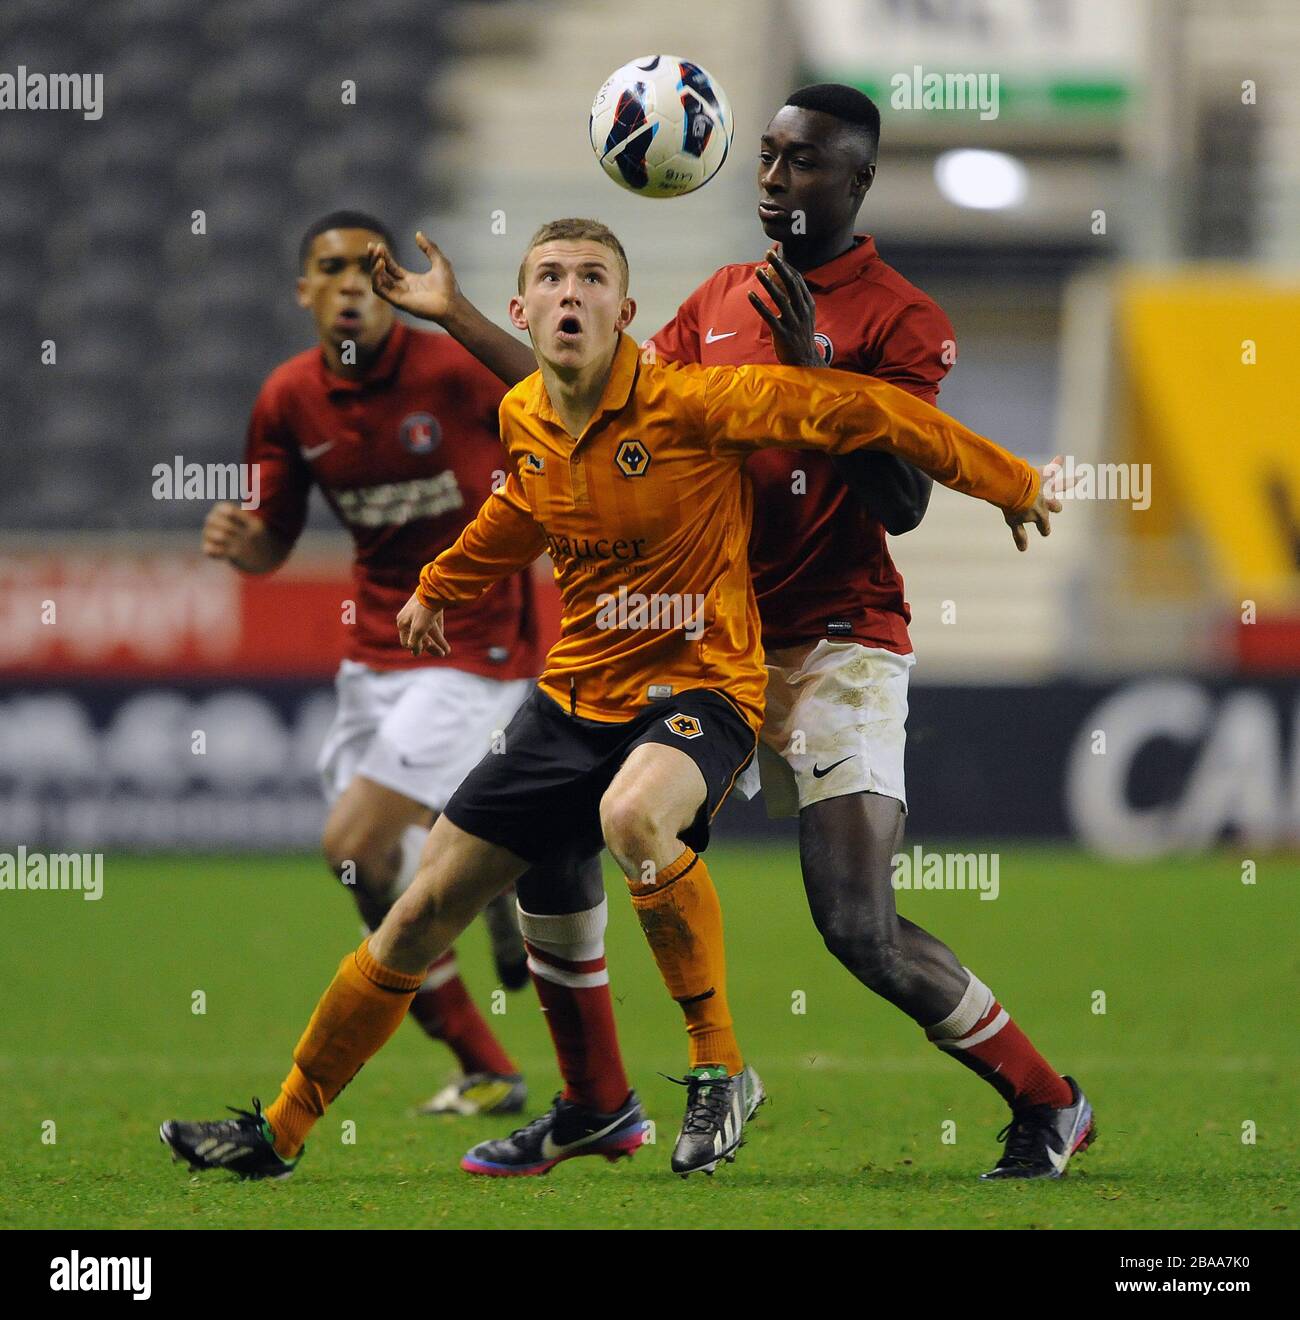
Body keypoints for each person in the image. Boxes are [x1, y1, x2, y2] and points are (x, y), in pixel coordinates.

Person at [161, 216, 1063, 1183]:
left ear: (625, 312)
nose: (569, 292)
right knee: (421, 904)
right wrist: (438, 587)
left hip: (703, 687)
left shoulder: (697, 403)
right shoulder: (523, 417)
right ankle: (282, 1129)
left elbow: (871, 414)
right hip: (574, 695)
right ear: (524, 309)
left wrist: (1010, 481)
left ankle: (720, 1070)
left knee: (633, 816)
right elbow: (519, 508)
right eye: (549, 276)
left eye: (592, 277)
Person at [363, 85, 1097, 1182]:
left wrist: (818, 373)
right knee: (563, 837)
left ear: (855, 182)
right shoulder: (713, 300)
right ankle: (593, 1104)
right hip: (708, 649)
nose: (771, 177)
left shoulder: (903, 319)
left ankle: (1047, 1099)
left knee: (855, 927)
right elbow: (592, 405)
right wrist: (463, 316)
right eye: (764, 156)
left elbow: (899, 506)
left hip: (836, 640)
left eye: (802, 162)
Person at [201, 209, 553, 1119]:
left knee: (353, 843)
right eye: (332, 268)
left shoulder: (451, 368)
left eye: (370, 266)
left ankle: (493, 892)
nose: (352, 282)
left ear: (392, 282)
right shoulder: (287, 399)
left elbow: (561, 396)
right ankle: (484, 1053)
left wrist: (463, 315)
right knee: (369, 872)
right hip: (373, 653)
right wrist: (242, 544)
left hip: (480, 645)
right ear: (305, 291)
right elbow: (271, 542)